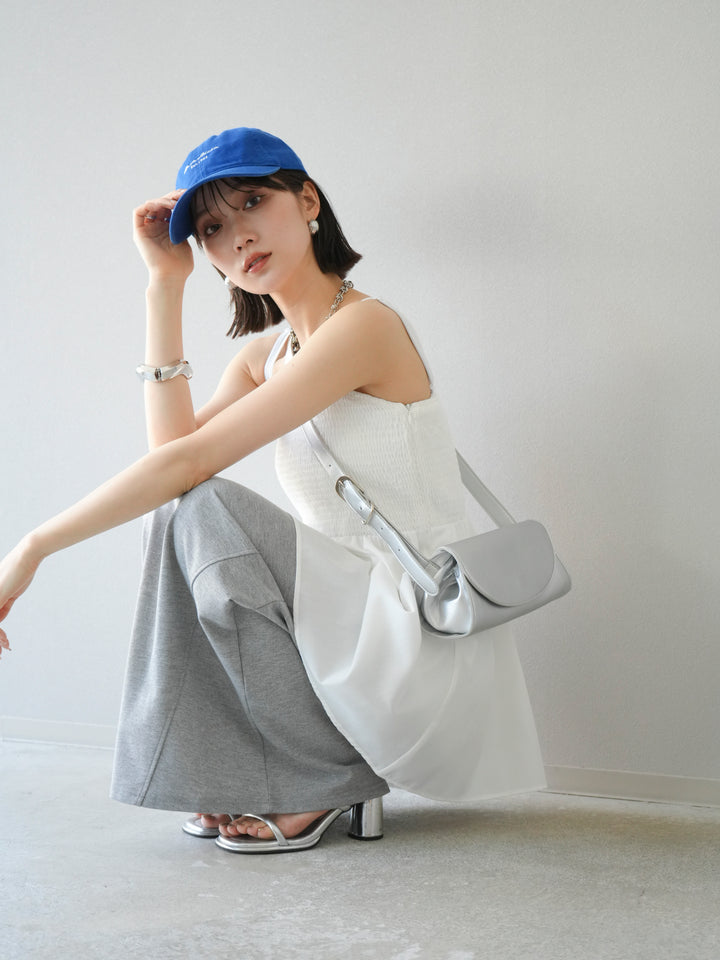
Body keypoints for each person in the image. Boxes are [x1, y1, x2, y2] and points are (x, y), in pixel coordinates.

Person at [0, 127, 546, 853]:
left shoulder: (365, 326)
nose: (238, 237)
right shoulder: (266, 357)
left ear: (308, 201)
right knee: (182, 512)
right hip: (346, 616)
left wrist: (33, 547)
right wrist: (164, 285)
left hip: (415, 619)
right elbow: (172, 466)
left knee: (204, 503)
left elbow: (185, 468)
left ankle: (318, 777)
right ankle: (247, 770)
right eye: (211, 229)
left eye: (254, 201)